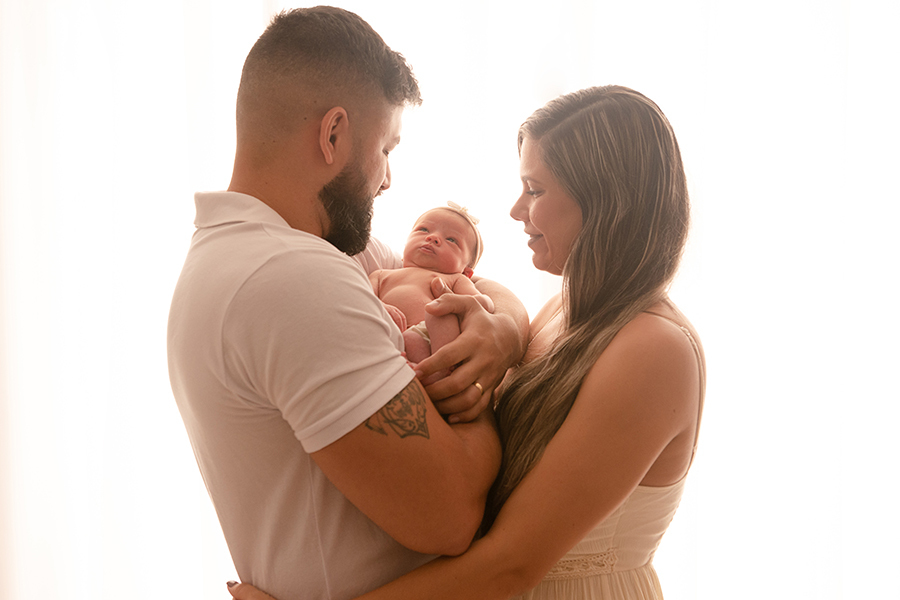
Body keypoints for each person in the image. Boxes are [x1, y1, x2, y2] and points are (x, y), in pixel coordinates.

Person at [228, 85, 706, 600]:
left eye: (536, 190)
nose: (515, 209)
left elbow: (508, 567)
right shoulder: (562, 311)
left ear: (608, 200)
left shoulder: (654, 350)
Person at [167, 7, 528, 600]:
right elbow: (452, 512)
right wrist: (477, 381)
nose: (386, 180)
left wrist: (504, 332)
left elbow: (474, 285)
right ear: (334, 134)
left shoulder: (256, 252)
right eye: (386, 148)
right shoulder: (293, 279)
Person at [371, 203, 494, 385]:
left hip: (435, 337)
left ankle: (441, 368)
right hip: (396, 338)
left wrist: (455, 301)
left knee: (438, 310)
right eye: (423, 229)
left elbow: (481, 305)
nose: (433, 237)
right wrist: (381, 306)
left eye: (452, 240)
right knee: (409, 340)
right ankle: (424, 375)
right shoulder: (381, 274)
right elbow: (362, 298)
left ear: (465, 271)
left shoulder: (454, 279)